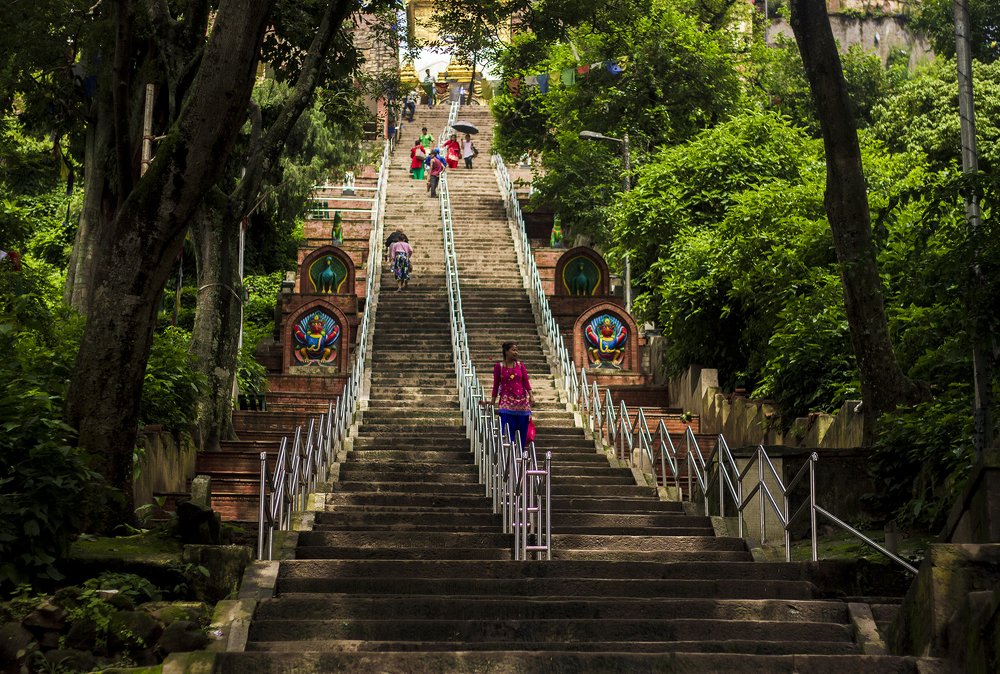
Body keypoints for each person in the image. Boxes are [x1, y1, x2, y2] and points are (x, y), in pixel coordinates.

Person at [484, 342, 535, 448]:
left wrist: (531, 395)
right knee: (507, 428)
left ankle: (520, 452)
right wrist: (492, 401)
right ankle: (509, 452)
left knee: (522, 429)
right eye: (513, 350)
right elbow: (496, 385)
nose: (516, 352)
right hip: (506, 402)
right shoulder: (499, 367)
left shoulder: (521, 366)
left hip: (522, 403)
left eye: (516, 350)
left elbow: (525, 381)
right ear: (506, 351)